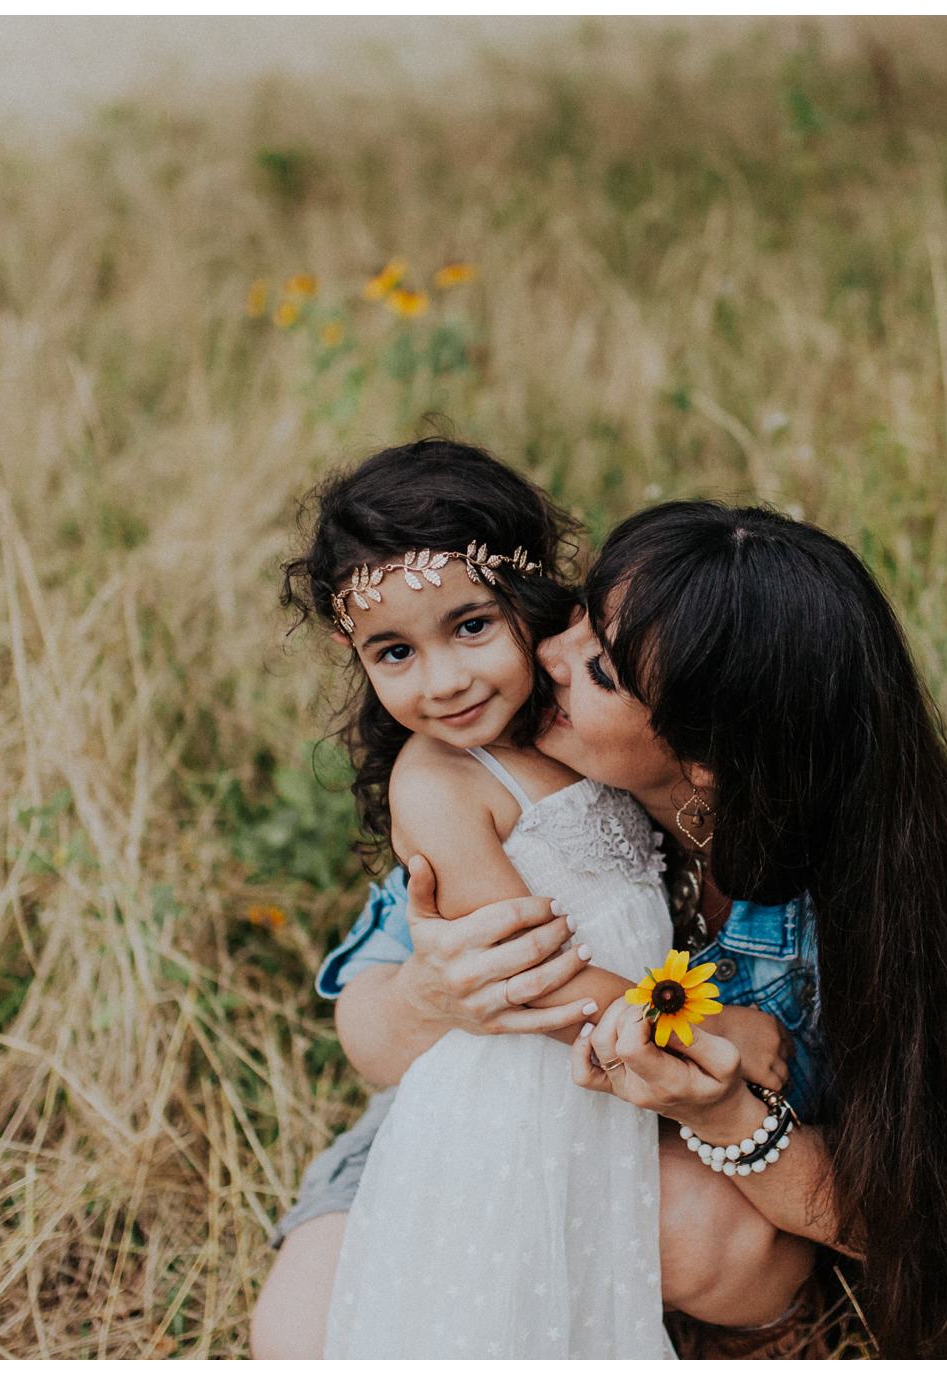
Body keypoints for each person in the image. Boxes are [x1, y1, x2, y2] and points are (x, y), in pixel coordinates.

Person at [255, 498, 947, 1358]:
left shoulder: (857, 895)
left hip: (722, 1148)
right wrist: (431, 997)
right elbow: (374, 1032)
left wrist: (728, 1107)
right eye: (581, 615)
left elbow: (907, 1222)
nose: (544, 654)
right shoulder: (509, 789)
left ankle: (766, 1328)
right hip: (494, 1115)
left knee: (707, 1238)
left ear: (705, 758)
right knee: (304, 1344)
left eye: (596, 667)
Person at [279, 441, 723, 1356]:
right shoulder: (440, 784)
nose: (443, 681)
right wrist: (698, 1037)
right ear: (351, 651)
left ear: (529, 602)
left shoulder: (577, 715)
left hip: (622, 1064)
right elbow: (542, 982)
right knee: (508, 1295)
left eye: (471, 627)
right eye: (395, 651)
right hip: (542, 1083)